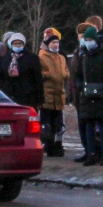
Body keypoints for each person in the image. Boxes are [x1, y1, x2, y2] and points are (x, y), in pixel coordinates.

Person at [72, 24, 103, 166]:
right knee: (89, 126)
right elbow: (77, 75)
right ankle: (91, 153)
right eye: (86, 39)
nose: (87, 41)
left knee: (102, 126)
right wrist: (80, 87)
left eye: (90, 39)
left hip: (101, 96)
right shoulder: (83, 57)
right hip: (86, 96)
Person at [38, 28, 69, 157]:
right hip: (47, 96)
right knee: (47, 124)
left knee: (58, 124)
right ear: (47, 44)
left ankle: (57, 145)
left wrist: (65, 74)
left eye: (57, 42)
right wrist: (47, 75)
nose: (56, 45)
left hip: (59, 95)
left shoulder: (61, 57)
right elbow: (38, 74)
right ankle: (48, 145)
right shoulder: (41, 56)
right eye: (53, 43)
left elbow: (66, 71)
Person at [0, 32, 44, 109]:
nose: (17, 45)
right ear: (11, 44)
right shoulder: (6, 58)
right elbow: (1, 77)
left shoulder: (32, 58)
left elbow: (38, 78)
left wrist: (40, 98)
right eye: (15, 43)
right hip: (9, 95)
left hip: (28, 96)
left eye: (20, 43)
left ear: (24, 44)